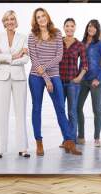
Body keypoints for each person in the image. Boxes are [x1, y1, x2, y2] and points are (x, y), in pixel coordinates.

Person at [28, 8, 82, 156]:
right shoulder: (32, 36)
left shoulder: (57, 33)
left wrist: (49, 77)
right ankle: (39, 142)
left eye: (43, 15)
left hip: (54, 75)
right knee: (37, 108)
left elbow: (59, 57)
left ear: (47, 17)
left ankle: (69, 141)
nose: (41, 19)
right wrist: (46, 79)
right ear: (36, 20)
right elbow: (34, 60)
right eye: (38, 17)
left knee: (60, 109)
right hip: (36, 77)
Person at [0, 10, 29, 158]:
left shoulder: (23, 37)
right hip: (1, 77)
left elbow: (26, 59)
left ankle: (23, 148)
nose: (10, 22)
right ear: (3, 22)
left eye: (12, 19)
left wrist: (5, 57)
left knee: (21, 113)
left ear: (16, 21)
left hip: (19, 77)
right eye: (7, 19)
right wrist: (14, 55)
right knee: (1, 113)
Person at [76, 19, 101, 148]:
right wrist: (77, 76)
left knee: (96, 110)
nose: (91, 28)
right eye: (90, 26)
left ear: (97, 30)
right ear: (87, 27)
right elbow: (78, 60)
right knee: (78, 107)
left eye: (94, 27)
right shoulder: (82, 42)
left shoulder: (99, 44)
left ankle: (96, 138)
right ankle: (81, 136)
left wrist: (99, 78)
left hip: (96, 82)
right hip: (83, 81)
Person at [58, 18, 88, 147]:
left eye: (72, 26)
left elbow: (85, 64)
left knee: (72, 111)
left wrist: (79, 77)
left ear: (75, 28)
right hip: (59, 81)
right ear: (64, 28)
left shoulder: (79, 45)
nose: (69, 28)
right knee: (61, 110)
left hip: (73, 83)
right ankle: (66, 138)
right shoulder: (58, 42)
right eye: (67, 26)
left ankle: (72, 140)